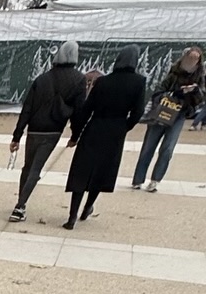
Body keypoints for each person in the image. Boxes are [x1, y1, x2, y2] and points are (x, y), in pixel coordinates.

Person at [62, 45, 148, 228]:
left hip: (95, 126)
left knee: (82, 171)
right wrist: (125, 126)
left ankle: (72, 216)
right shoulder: (139, 82)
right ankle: (88, 207)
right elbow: (138, 111)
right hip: (116, 129)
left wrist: (76, 134)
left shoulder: (103, 81)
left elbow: (86, 109)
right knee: (102, 172)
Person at [7, 40, 86, 222]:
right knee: (36, 168)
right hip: (53, 129)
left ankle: (21, 202)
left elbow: (27, 108)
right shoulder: (79, 79)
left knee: (28, 167)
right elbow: (79, 110)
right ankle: (20, 205)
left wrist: (17, 135)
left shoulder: (42, 79)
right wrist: (76, 134)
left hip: (34, 128)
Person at [132, 49, 205, 190]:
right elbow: (158, 91)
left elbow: (201, 99)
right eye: (190, 57)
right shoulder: (173, 73)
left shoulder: (199, 77)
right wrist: (177, 92)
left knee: (168, 148)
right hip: (163, 111)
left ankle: (155, 179)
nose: (192, 61)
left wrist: (194, 91)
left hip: (180, 114)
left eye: (195, 58)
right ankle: (138, 179)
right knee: (148, 147)